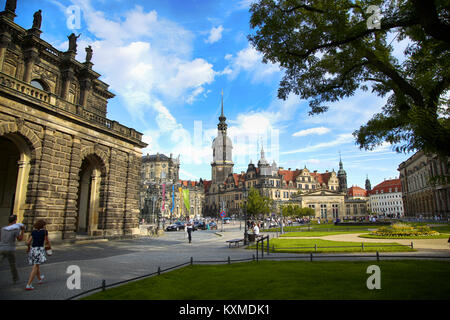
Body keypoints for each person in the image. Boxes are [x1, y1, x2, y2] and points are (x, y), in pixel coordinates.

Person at [25, 220, 51, 290]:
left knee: (37, 265)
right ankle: (28, 284)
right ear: (43, 225)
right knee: (35, 266)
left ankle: (40, 279)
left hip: (33, 249)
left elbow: (28, 242)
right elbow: (47, 241)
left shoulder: (33, 232)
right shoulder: (44, 232)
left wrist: (28, 248)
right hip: (39, 250)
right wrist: (49, 248)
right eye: (45, 225)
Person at [0, 215, 24, 284]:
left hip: (1, 248)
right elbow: (20, 239)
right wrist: (22, 231)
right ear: (15, 221)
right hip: (10, 249)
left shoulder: (3, 228)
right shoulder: (15, 229)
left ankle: (15, 279)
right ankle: (15, 279)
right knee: (12, 265)